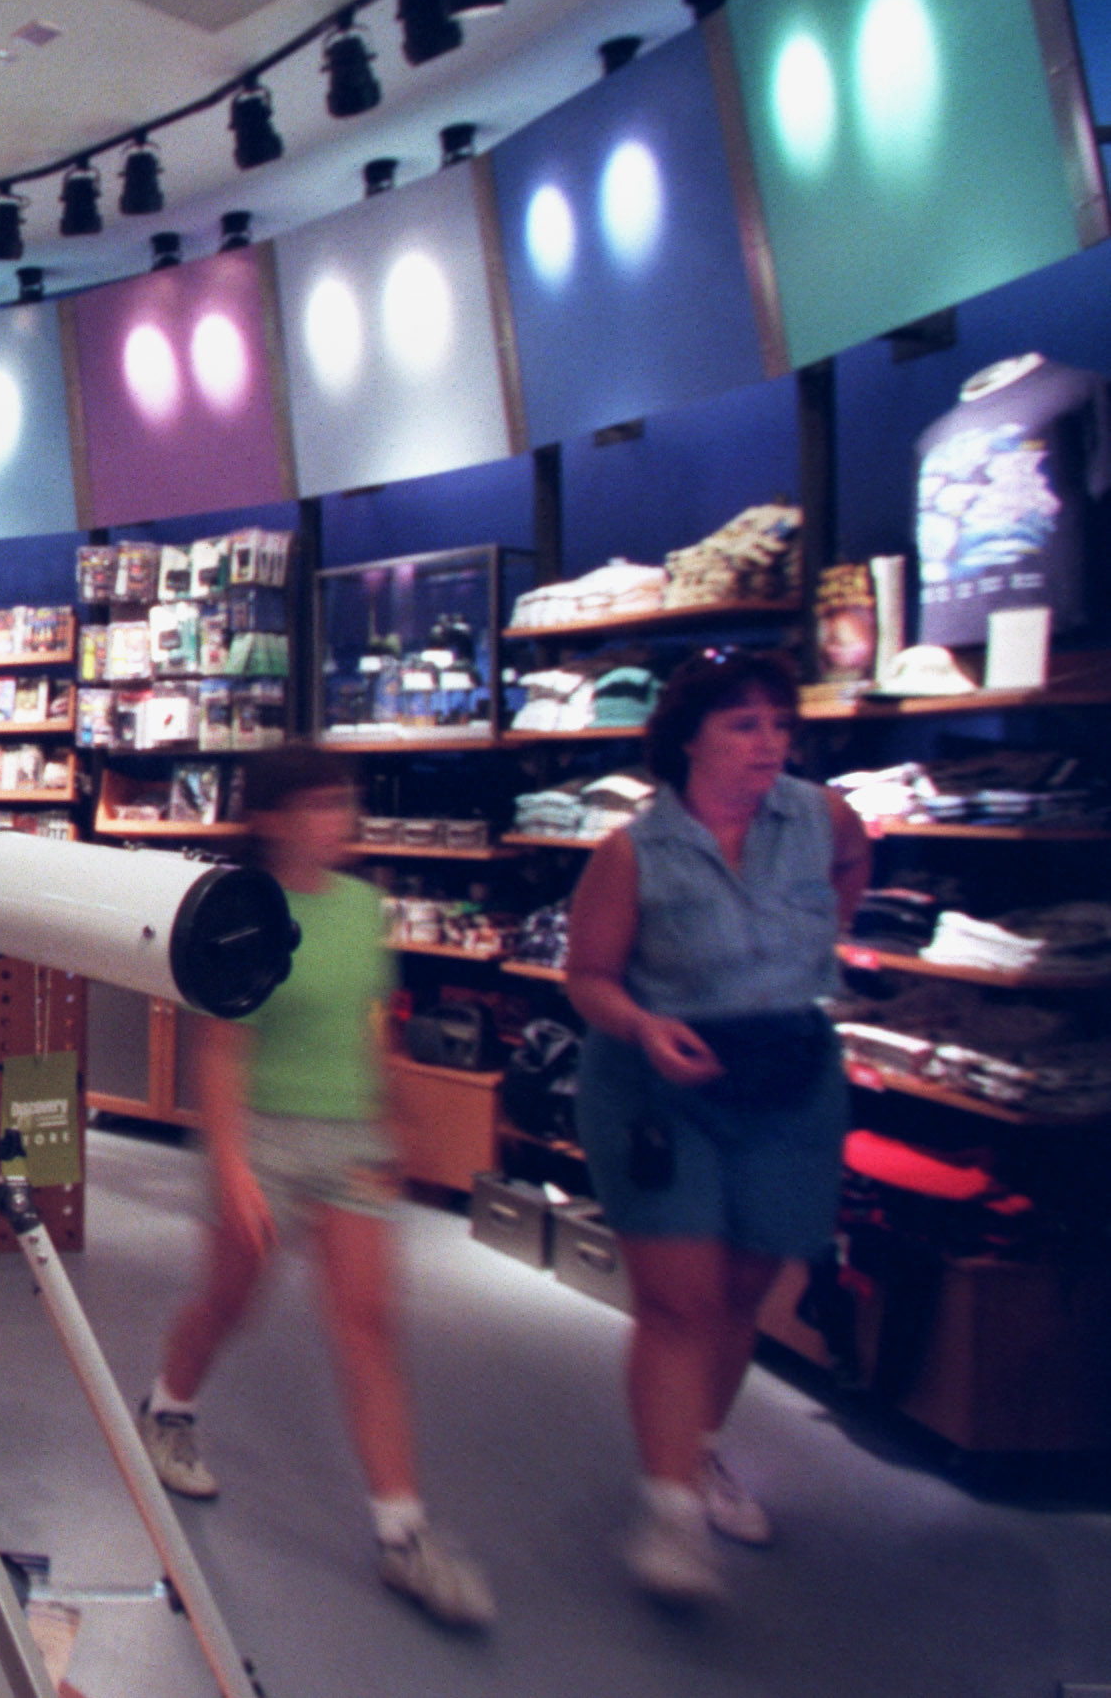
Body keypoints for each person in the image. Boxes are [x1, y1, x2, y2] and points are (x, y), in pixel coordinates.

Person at [138, 745, 496, 1630]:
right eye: (317, 803)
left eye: (342, 802)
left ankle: (401, 1529)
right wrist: (230, 1167)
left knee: (368, 1326)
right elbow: (221, 1047)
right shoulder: (244, 911)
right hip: (259, 1133)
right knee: (229, 1298)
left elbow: (369, 1025)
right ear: (272, 816)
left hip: (348, 1139)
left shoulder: (364, 906)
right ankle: (168, 1406)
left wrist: (394, 1119)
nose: (336, 818)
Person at [563, 647, 870, 1604]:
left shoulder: (819, 817)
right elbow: (587, 977)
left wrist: (803, 957)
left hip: (786, 1076)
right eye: (744, 725)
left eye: (780, 724)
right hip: (658, 1086)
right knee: (677, 1300)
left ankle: (694, 1453)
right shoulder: (634, 853)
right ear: (688, 737)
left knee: (742, 1288)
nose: (768, 743)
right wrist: (647, 1024)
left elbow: (856, 860)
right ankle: (667, 1511)